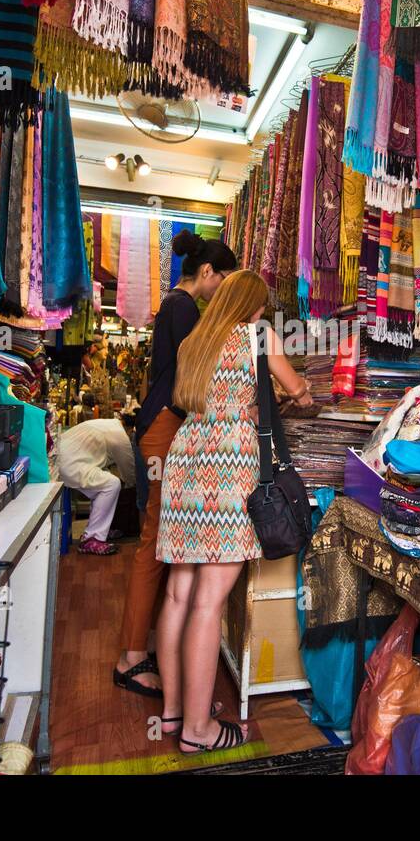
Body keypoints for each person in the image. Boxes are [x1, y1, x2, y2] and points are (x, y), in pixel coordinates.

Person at [153, 270, 313, 752]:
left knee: (180, 593)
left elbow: (190, 398)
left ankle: (175, 711)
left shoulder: (194, 341)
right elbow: (295, 387)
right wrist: (302, 392)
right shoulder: (258, 335)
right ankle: (198, 732)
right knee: (209, 599)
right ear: (254, 306)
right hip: (228, 464)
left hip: (185, 459)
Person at [112, 231, 239, 699]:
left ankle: (143, 647)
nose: (222, 290)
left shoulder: (176, 306)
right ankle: (130, 656)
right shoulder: (185, 309)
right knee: (154, 543)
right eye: (223, 280)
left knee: (158, 542)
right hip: (165, 429)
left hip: (161, 427)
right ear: (207, 272)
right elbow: (196, 374)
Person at [57, 416, 136, 554]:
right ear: (129, 429)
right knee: (112, 484)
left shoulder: (105, 424)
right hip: (69, 464)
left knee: (103, 482)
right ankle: (92, 538)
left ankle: (100, 529)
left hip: (62, 459)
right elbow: (128, 469)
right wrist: (135, 486)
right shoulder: (119, 435)